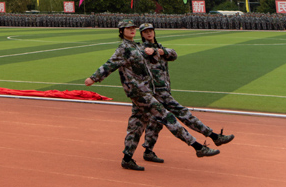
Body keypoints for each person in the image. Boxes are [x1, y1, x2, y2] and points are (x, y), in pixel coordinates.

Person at [85, 20, 220, 171]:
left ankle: (127, 158)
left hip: (145, 90)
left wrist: (157, 51)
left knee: (136, 124)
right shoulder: (123, 49)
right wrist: (94, 78)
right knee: (167, 116)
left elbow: (163, 57)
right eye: (127, 28)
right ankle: (197, 146)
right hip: (139, 91)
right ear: (121, 31)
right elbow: (109, 64)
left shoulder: (136, 46)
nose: (131, 30)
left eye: (132, 28)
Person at [138, 23, 234, 163]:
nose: (149, 33)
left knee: (155, 122)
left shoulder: (160, 48)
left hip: (163, 90)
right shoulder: (142, 49)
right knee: (183, 113)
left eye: (151, 30)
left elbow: (174, 54)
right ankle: (213, 137)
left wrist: (161, 51)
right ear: (141, 34)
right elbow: (139, 57)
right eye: (145, 32)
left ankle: (148, 150)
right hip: (155, 92)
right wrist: (151, 52)